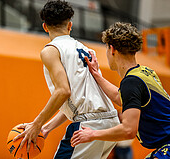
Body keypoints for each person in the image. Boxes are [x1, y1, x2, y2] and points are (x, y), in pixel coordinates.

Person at [13, 0, 120, 158]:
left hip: (88, 124)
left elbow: (63, 91)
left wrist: (36, 124)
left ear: (45, 26)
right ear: (70, 26)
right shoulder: (86, 49)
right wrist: (47, 127)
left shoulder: (50, 50)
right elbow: (76, 100)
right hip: (110, 122)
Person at [71, 22, 170, 159]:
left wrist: (92, 134)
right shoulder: (145, 72)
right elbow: (122, 98)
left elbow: (128, 130)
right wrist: (97, 75)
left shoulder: (131, 82)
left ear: (112, 49)